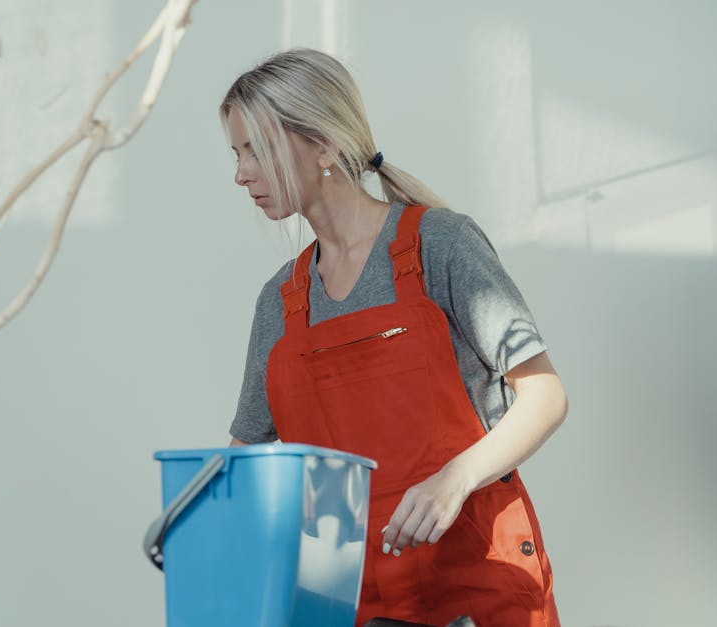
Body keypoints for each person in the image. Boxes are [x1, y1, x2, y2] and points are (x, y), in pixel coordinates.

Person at [221, 48, 568, 627]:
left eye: (256, 148)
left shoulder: (442, 245)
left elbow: (546, 396)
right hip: (345, 601)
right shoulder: (279, 302)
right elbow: (244, 465)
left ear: (325, 145)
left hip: (473, 584)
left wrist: (453, 480)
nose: (240, 173)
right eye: (236, 154)